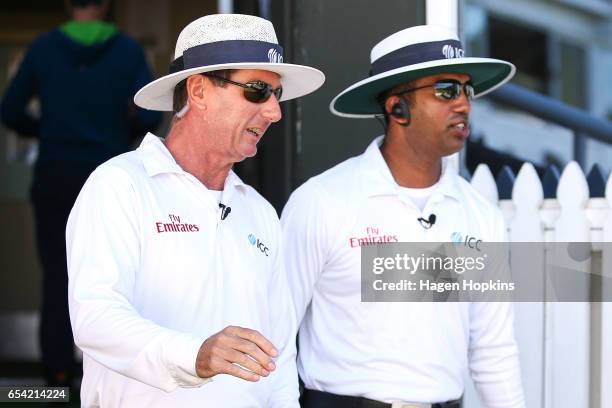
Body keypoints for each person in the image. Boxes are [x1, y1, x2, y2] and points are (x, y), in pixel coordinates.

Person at [65, 13, 324, 407]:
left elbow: (279, 354)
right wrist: (195, 355)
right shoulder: (120, 184)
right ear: (199, 91)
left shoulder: (260, 213)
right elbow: (95, 319)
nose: (274, 112)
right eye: (257, 91)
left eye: (276, 94)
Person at [281, 25, 525, 407]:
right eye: (446, 90)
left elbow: (494, 351)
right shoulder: (321, 201)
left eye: (466, 89)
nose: (463, 104)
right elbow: (274, 336)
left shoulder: (481, 215)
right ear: (397, 107)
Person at [0, 0, 161, 387]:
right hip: (112, 175)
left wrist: (50, 130)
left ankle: (57, 376)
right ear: (105, 5)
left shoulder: (42, 48)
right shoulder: (126, 51)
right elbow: (151, 115)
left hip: (57, 174)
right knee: (120, 277)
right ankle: (111, 377)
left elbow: (10, 111)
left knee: (58, 275)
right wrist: (118, 132)